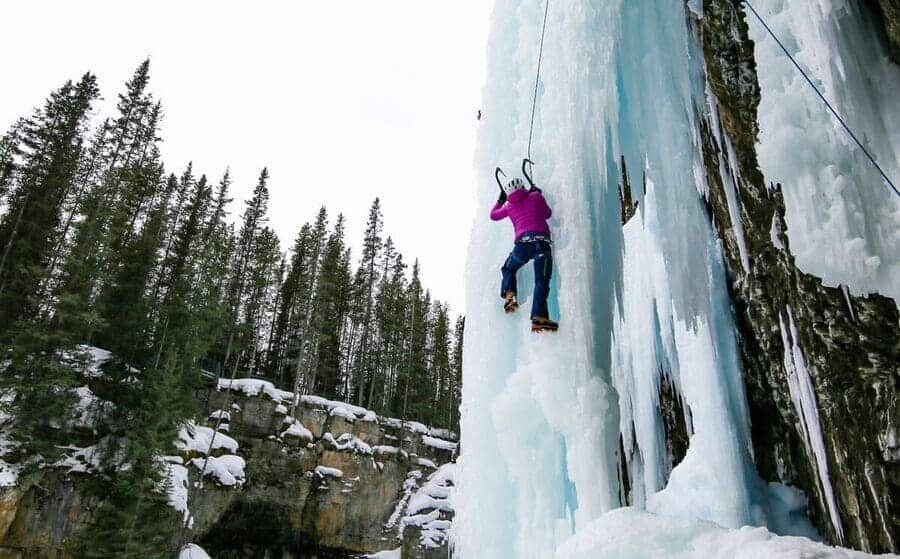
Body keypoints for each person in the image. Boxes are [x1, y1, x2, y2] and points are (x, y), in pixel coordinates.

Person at [490, 177, 558, 332]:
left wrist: (500, 201)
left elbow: (493, 215)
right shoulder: (535, 196)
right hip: (541, 245)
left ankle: (510, 295)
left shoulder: (508, 206)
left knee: (508, 268)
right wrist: (538, 193)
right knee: (541, 281)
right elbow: (547, 214)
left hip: (522, 246)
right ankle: (539, 318)